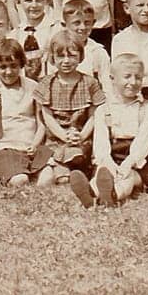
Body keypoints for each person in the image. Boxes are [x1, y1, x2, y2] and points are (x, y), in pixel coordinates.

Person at [70, 53, 148, 208]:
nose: (133, 82)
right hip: (111, 156)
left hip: (137, 163)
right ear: (112, 79)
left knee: (127, 178)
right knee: (101, 174)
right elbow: (101, 141)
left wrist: (128, 163)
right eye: (127, 77)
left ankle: (112, 195)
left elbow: (143, 141)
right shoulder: (104, 109)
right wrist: (107, 161)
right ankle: (90, 193)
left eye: (138, 77)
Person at [0, 38, 52, 187]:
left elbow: (41, 124)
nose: (8, 72)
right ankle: (2, 177)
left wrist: (34, 144)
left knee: (48, 179)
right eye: (3, 67)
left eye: (13, 66)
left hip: (30, 147)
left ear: (21, 64)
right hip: (5, 149)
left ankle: (6, 177)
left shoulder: (33, 87)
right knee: (20, 180)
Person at [36, 30, 104, 182]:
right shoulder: (47, 83)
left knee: (78, 154)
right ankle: (63, 171)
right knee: (58, 156)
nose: (66, 61)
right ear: (52, 58)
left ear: (80, 56)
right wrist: (63, 136)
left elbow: (94, 115)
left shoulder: (89, 82)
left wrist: (81, 136)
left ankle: (70, 169)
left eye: (72, 55)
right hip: (56, 138)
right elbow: (47, 116)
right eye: (60, 56)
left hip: (80, 136)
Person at [58, 0, 112, 92]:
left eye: (87, 23)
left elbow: (108, 85)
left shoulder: (98, 52)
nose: (82, 27)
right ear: (64, 24)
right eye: (76, 23)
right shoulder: (57, 49)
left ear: (93, 23)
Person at [11, 0, 58, 70]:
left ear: (48, 0)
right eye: (28, 0)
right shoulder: (14, 35)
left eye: (39, 0)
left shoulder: (57, 30)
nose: (34, 5)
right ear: (18, 2)